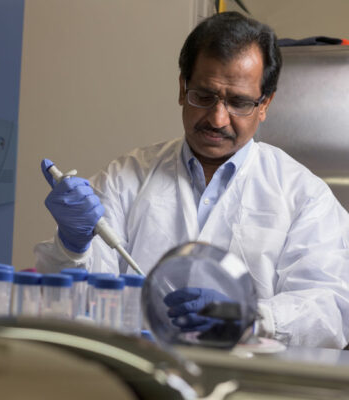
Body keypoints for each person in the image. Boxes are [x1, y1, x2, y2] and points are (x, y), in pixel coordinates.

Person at [34, 11, 349, 348]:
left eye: (239, 102)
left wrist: (250, 319)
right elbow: (71, 302)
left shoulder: (303, 194)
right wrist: (72, 246)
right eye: (204, 96)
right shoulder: (126, 177)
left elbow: (330, 308)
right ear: (183, 88)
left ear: (265, 104)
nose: (217, 118)